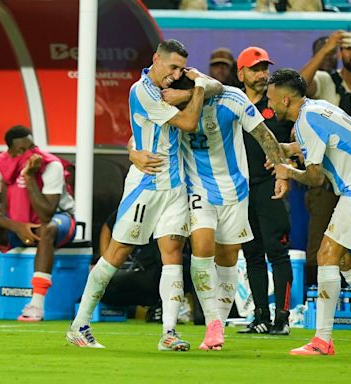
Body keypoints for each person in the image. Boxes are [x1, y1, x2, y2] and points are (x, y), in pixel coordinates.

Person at [65, 39, 222, 350]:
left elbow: (217, 85)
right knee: (116, 253)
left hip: (175, 188)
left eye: (181, 68)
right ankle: (79, 325)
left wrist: (193, 85)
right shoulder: (142, 90)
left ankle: (169, 333)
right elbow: (190, 122)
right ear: (156, 60)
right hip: (146, 186)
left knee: (173, 254)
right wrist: (197, 90)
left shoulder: (176, 84)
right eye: (172, 67)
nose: (176, 74)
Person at [132, 73, 289, 350]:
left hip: (236, 192)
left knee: (228, 260)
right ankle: (213, 322)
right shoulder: (172, 109)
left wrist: (281, 172)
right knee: (202, 250)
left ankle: (218, 326)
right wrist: (132, 153)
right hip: (198, 190)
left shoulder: (231, 98)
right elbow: (141, 133)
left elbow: (263, 134)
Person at [268, 68, 351, 355]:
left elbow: (316, 178)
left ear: (285, 101)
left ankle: (322, 340)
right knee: (343, 259)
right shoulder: (318, 108)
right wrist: (289, 149)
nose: (268, 105)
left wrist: (287, 171)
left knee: (327, 254)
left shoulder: (306, 122)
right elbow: (324, 143)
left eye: (270, 99)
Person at [0, 126, 76, 321]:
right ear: (11, 152)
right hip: (19, 224)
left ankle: (36, 305)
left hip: (60, 220)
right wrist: (17, 227)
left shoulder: (51, 165)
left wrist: (30, 177)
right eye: (23, 150)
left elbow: (46, 213)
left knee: (46, 229)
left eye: (32, 147)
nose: (30, 154)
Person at [233, 46, 293, 335]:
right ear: (240, 73)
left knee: (277, 252)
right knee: (253, 254)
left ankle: (282, 319)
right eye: (255, 69)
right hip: (242, 189)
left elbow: (301, 138)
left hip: (270, 187)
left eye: (264, 68)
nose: (262, 74)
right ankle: (259, 316)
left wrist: (289, 162)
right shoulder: (230, 103)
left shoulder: (278, 105)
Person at [302, 35, 340, 287]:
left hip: (349, 180)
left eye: (333, 53)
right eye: (324, 53)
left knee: (344, 245)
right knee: (318, 244)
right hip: (323, 180)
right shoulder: (321, 81)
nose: (330, 57)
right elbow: (302, 83)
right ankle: (312, 300)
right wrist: (325, 51)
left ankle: (344, 304)